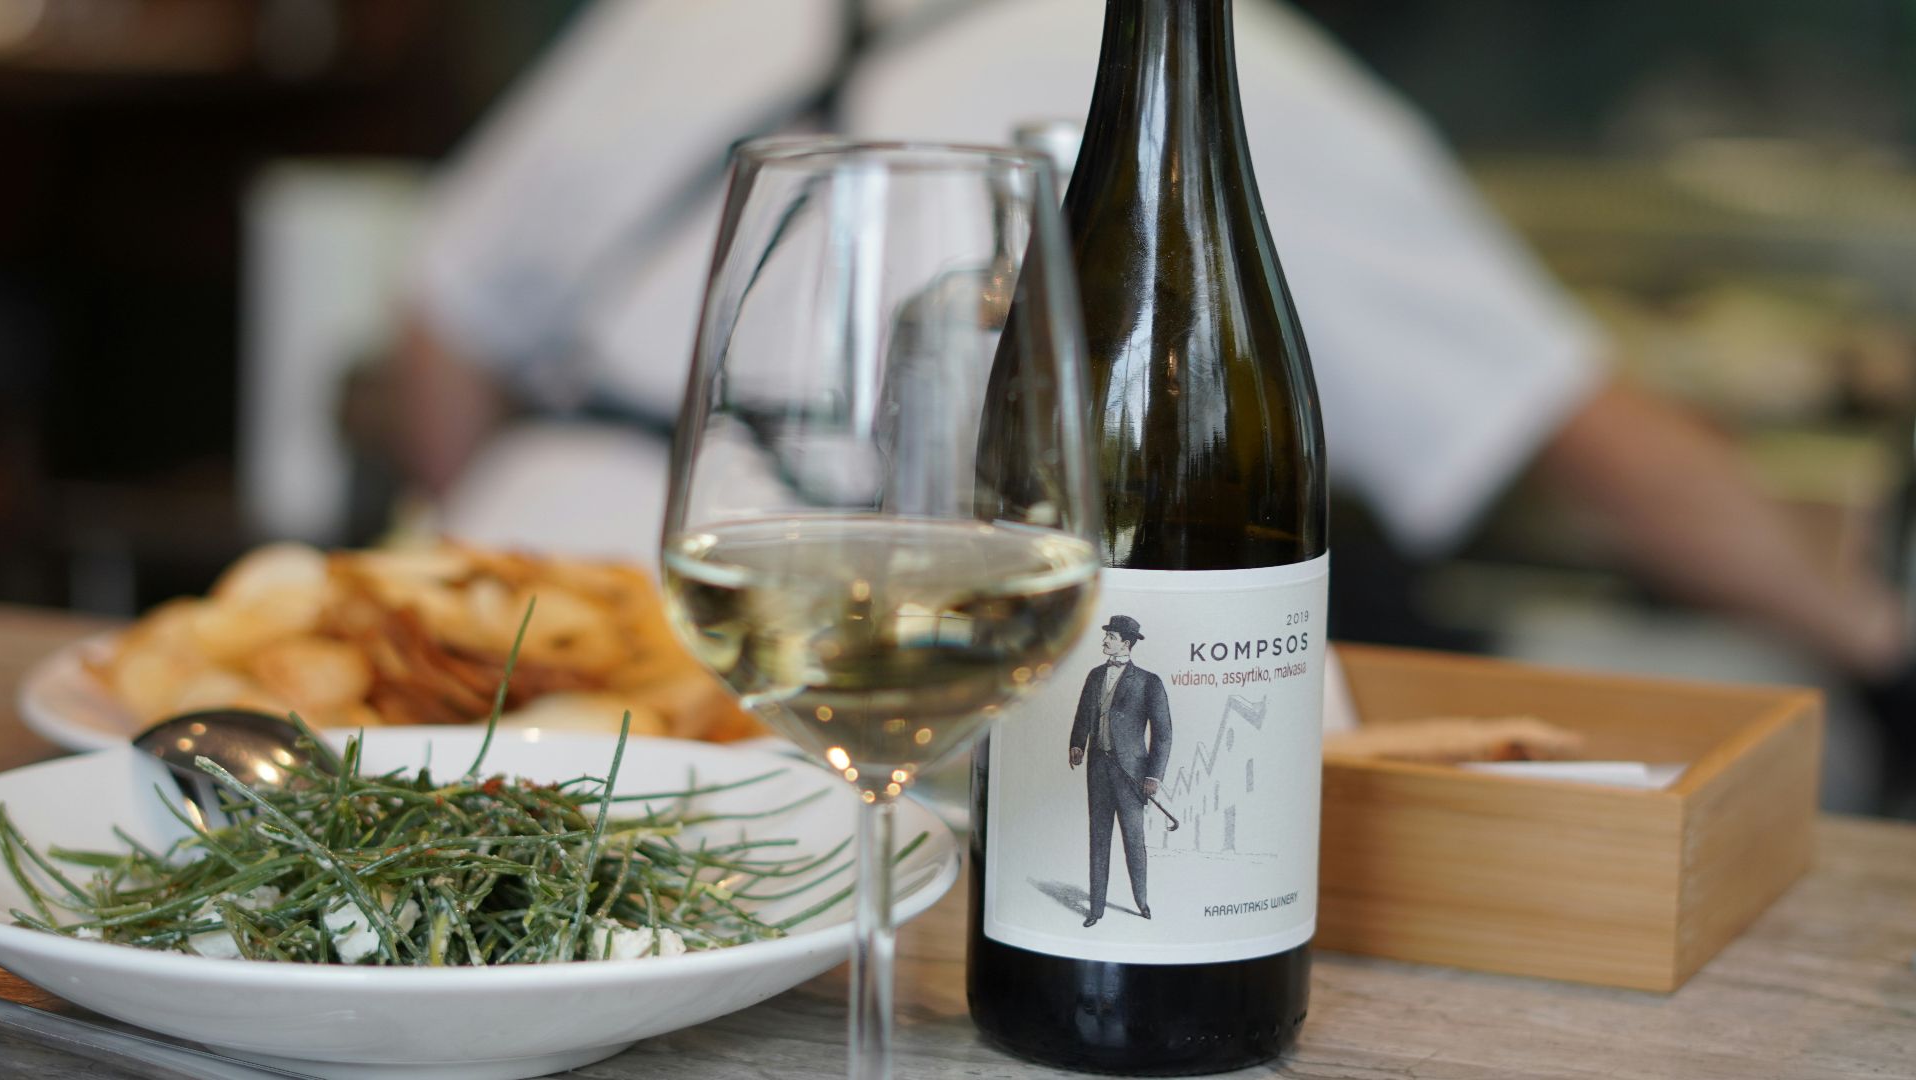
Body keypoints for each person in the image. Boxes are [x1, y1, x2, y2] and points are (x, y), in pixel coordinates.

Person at [394, 0, 1912, 809]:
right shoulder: (1265, 86)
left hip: (481, 623)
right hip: (794, 692)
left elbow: (438, 337)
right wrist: (1874, 638)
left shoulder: (691, 14)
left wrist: (487, 580)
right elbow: (1597, 437)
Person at [1067, 616, 1172, 928]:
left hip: (1132, 775)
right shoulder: (1095, 675)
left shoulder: (1148, 682)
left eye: (1110, 637)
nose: (1105, 642)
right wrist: (1077, 744)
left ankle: (1141, 903)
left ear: (1126, 643)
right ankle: (1096, 909)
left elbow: (1163, 734)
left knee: (1134, 841)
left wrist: (1153, 776)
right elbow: (1083, 714)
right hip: (1098, 768)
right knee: (1098, 839)